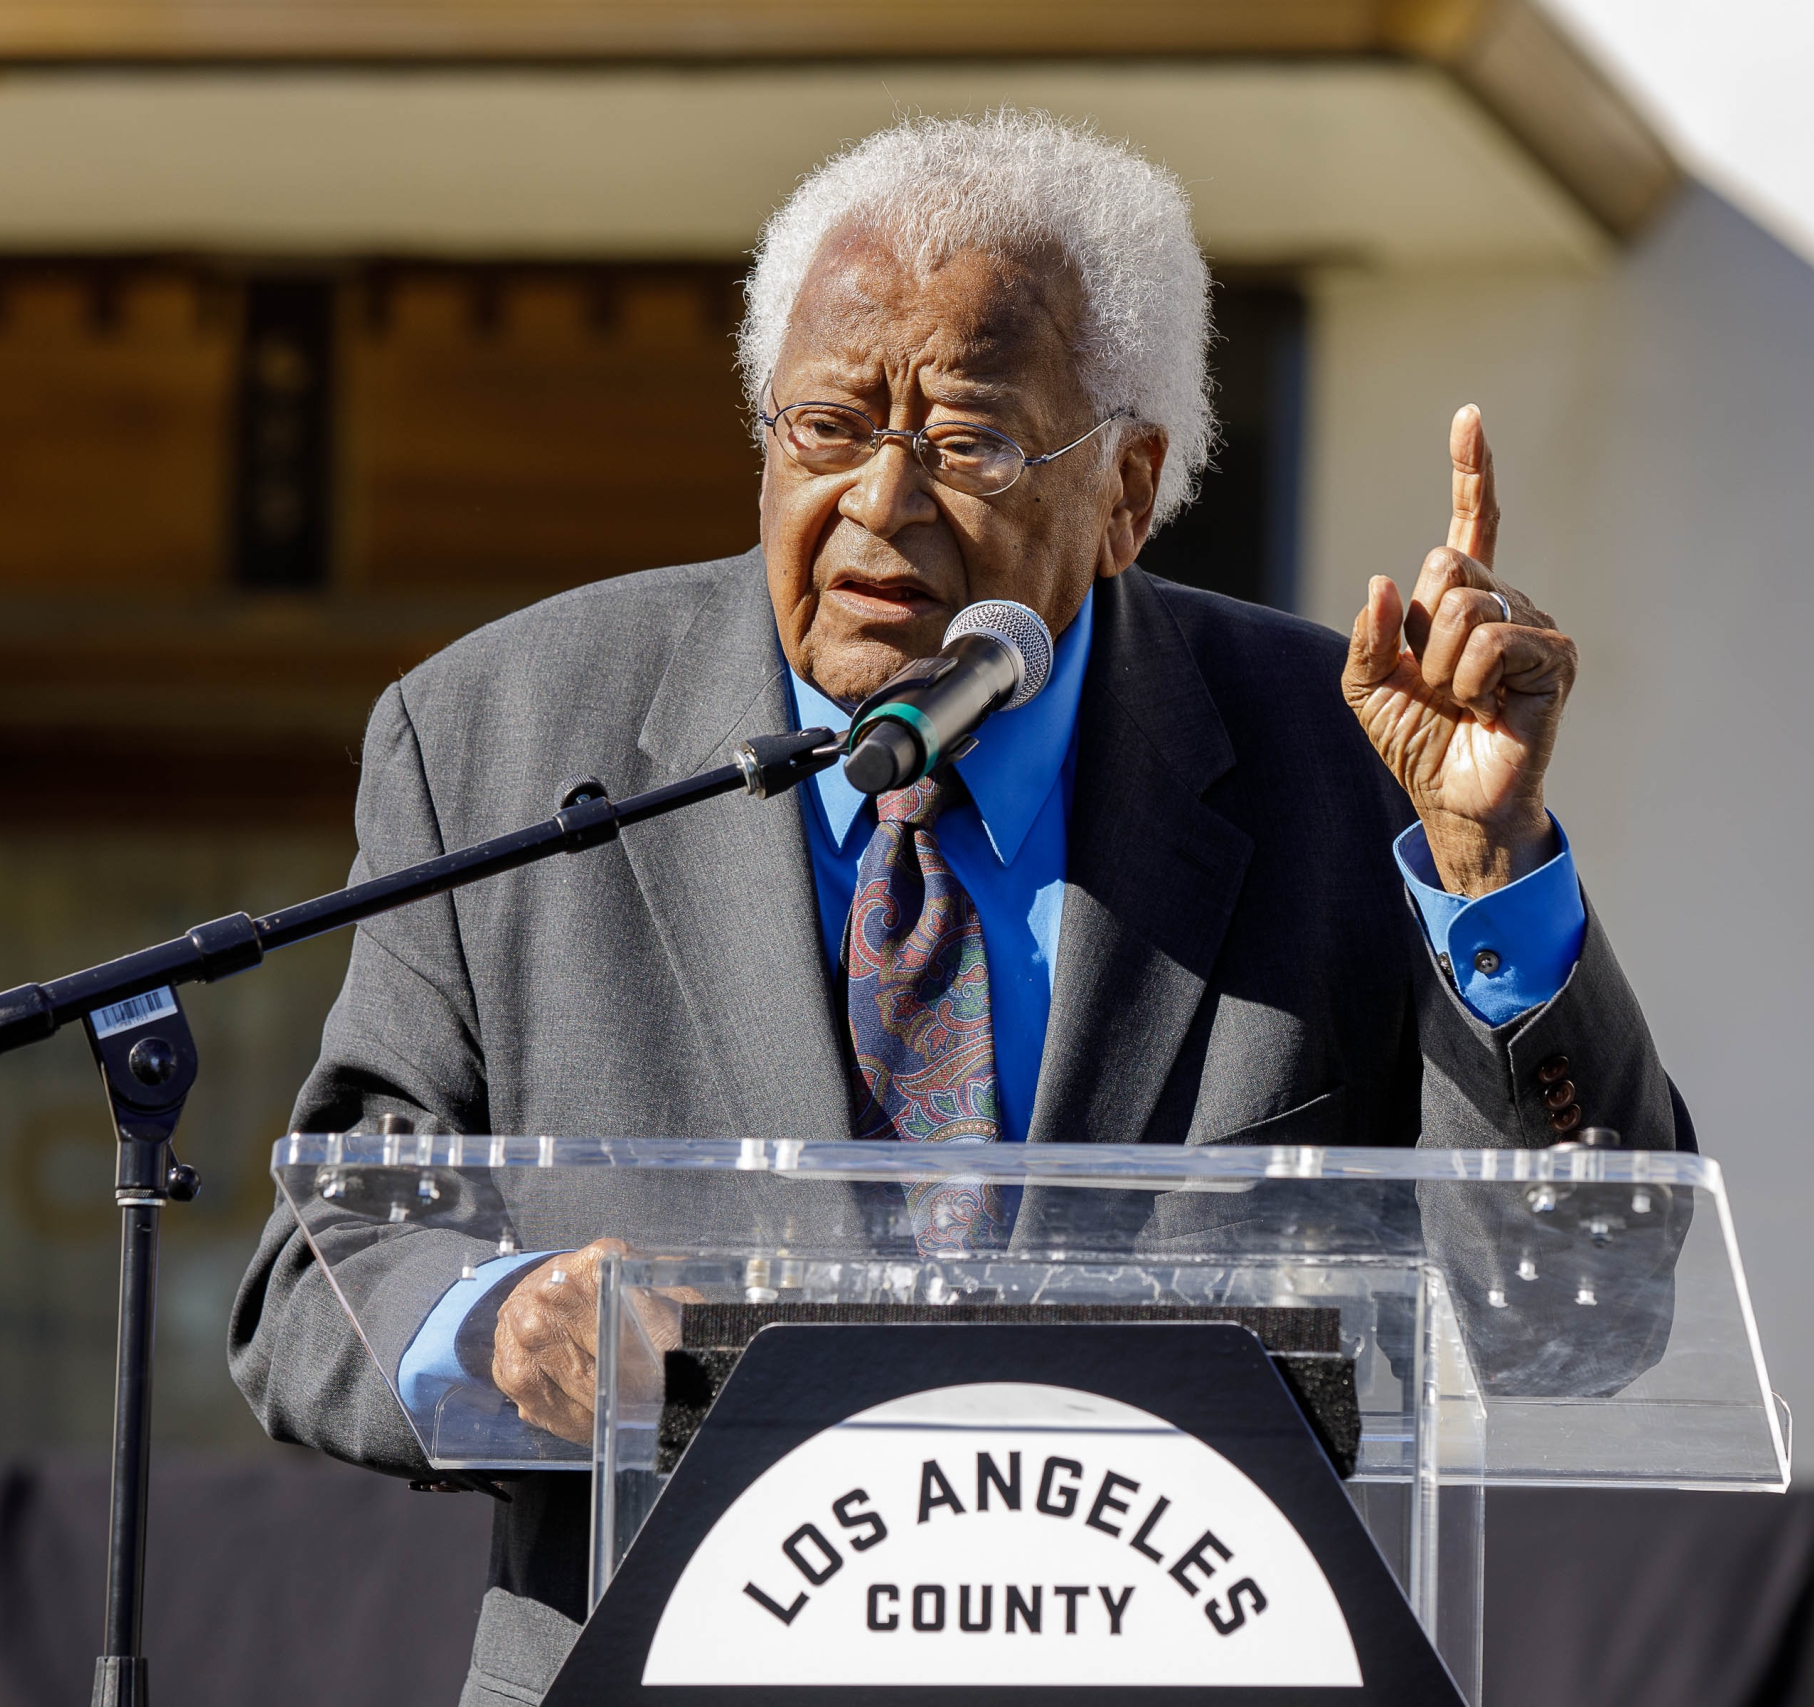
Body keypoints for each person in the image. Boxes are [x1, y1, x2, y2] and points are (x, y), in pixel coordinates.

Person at [231, 112, 1686, 1703]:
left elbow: (1582, 1311)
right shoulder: (506, 740)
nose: (880, 501)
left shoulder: (1345, 761)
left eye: (970, 442)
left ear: (1129, 490)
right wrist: (506, 1331)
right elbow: (325, 1270)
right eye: (826, 426)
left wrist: (1487, 863)